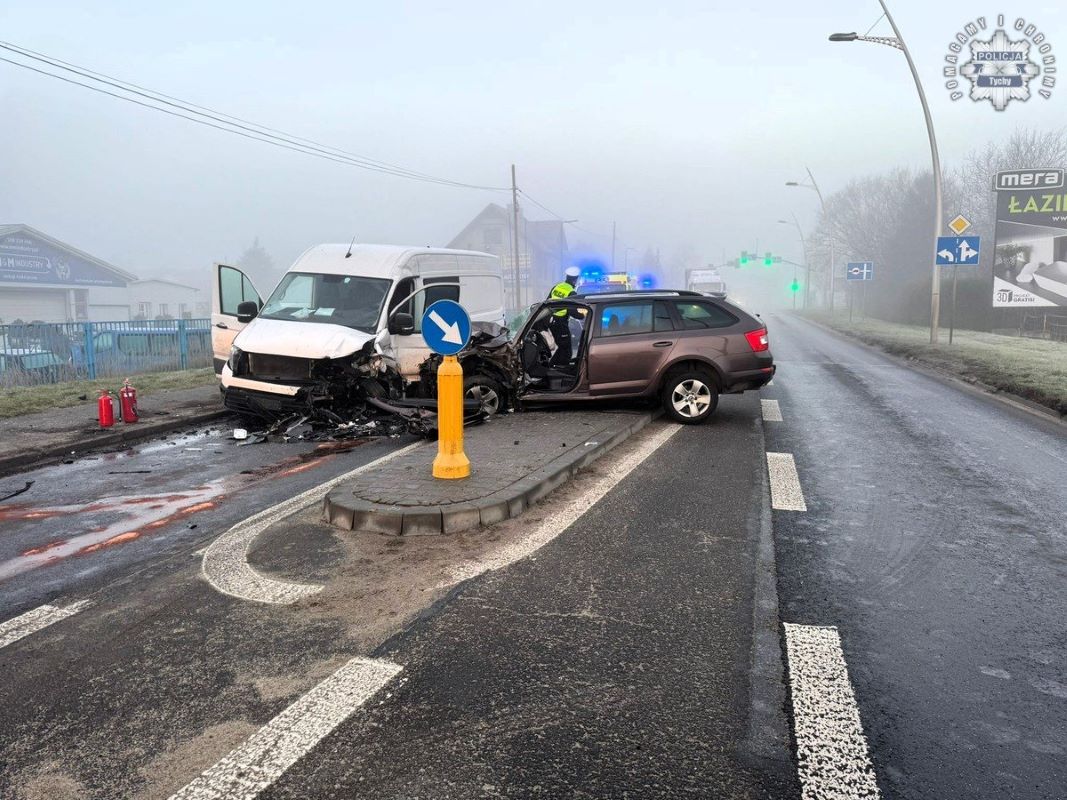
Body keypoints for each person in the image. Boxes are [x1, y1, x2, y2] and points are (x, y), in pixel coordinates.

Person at [548, 267, 581, 366]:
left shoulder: (556, 287)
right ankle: (560, 371)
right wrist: (582, 315)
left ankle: (551, 367)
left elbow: (547, 302)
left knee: (561, 348)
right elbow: (572, 311)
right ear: (575, 279)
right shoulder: (571, 292)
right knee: (567, 350)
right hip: (561, 323)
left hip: (551, 322)